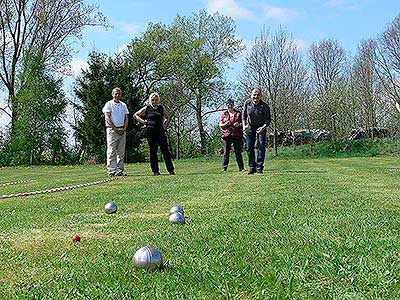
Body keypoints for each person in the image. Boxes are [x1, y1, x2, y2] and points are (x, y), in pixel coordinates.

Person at [134, 92, 175, 176]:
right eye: (153, 100)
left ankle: (171, 170)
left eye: (156, 100)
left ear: (158, 100)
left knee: (165, 150)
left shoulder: (161, 108)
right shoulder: (147, 108)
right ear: (150, 100)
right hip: (150, 131)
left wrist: (164, 124)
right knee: (153, 150)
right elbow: (136, 115)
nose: (154, 101)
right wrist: (143, 122)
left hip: (160, 131)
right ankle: (155, 171)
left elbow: (167, 117)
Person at [242, 88, 271, 174]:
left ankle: (259, 166)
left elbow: (268, 119)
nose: (256, 96)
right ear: (251, 95)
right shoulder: (247, 103)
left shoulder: (265, 106)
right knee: (249, 146)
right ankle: (252, 166)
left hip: (261, 127)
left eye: (258, 95)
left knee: (261, 146)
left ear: (260, 96)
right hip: (250, 127)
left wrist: (264, 127)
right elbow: (244, 116)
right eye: (254, 95)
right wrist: (244, 126)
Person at [102, 87, 129, 176]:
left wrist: (124, 129)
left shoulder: (123, 105)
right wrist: (115, 129)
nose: (117, 95)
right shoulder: (108, 104)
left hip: (122, 130)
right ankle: (112, 170)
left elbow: (126, 118)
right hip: (111, 130)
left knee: (121, 152)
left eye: (119, 94)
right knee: (111, 151)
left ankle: (119, 170)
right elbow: (107, 118)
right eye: (115, 94)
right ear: (112, 94)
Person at [219, 99, 245, 172]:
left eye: (231, 104)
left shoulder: (238, 113)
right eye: (228, 105)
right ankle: (224, 167)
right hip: (226, 135)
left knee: (238, 152)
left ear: (233, 105)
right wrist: (225, 124)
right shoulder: (224, 114)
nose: (229, 106)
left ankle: (241, 168)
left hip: (237, 135)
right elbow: (220, 124)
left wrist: (238, 124)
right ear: (226, 105)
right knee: (226, 152)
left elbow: (243, 123)